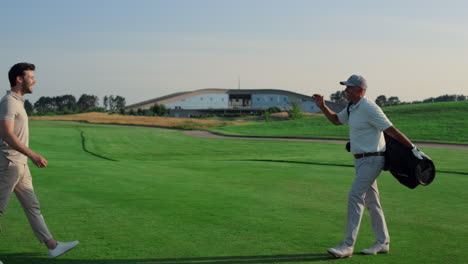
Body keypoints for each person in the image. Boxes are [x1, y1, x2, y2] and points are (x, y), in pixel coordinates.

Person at [312, 74, 429, 258]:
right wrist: (323, 107)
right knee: (372, 202)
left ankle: (347, 246)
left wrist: (413, 149)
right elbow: (336, 120)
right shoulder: (352, 107)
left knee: (355, 195)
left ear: (360, 90)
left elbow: (392, 130)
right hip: (360, 160)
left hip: (373, 159)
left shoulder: (369, 108)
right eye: (346, 87)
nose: (345, 90)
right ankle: (383, 242)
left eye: (349, 88)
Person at [0, 62, 79, 258]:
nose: (34, 80)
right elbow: (6, 134)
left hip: (20, 165)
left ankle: (52, 246)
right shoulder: (9, 101)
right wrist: (32, 154)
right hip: (9, 163)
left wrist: (26, 158)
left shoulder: (18, 101)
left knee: (32, 206)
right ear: (19, 79)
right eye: (31, 76)